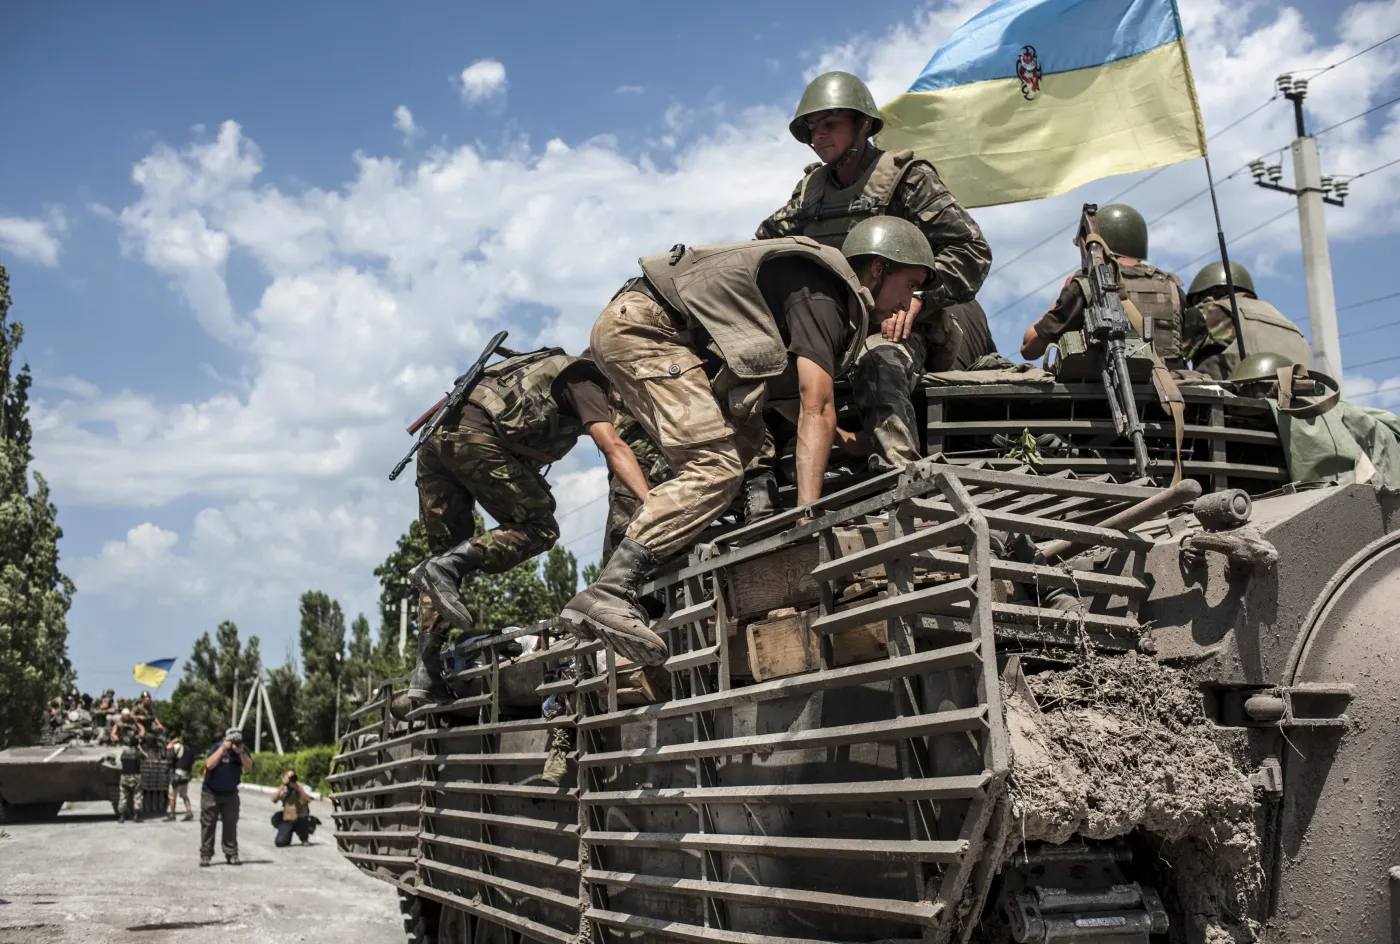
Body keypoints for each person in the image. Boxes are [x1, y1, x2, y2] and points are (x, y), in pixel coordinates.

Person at [562, 216, 935, 665]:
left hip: (641, 326)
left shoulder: (815, 294)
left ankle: (652, 561)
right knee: (715, 467)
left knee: (745, 440)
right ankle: (613, 589)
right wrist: (807, 519)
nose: (909, 301)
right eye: (910, 284)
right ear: (876, 269)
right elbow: (815, 403)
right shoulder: (824, 293)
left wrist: (849, 443)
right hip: (645, 330)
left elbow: (787, 405)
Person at [756, 70, 992, 475]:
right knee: (754, 366)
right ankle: (765, 480)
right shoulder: (809, 193)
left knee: (879, 360)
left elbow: (971, 250)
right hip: (831, 330)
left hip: (903, 324)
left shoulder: (906, 179)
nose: (819, 136)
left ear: (862, 125)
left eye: (830, 124)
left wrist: (919, 300)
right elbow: (763, 248)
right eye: (812, 127)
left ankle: (901, 476)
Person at [404, 349, 651, 708]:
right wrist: (650, 501)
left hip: (436, 442)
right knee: (539, 526)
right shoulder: (586, 380)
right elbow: (612, 445)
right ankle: (446, 567)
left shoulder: (544, 371)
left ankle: (425, 674)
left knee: (444, 562)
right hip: (473, 440)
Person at [1021, 204, 1188, 366]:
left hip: (1107, 392)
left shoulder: (1087, 284)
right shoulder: (1172, 287)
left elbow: (1029, 348)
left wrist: (1065, 296)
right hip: (1173, 391)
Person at [1183, 260, 1312, 381]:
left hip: (1235, 402)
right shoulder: (1288, 323)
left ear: (1210, 293)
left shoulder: (1217, 311)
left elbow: (1170, 351)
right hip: (1302, 403)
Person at [200, 727, 252, 867]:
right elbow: (209, 765)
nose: (235, 743)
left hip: (230, 793)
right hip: (211, 793)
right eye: (232, 740)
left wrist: (241, 753)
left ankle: (232, 854)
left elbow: (249, 768)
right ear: (226, 738)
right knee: (208, 825)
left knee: (230, 825)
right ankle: (205, 854)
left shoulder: (242, 750)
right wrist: (223, 748)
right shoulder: (217, 747)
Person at [272, 769, 314, 847]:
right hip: (288, 819)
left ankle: (304, 837)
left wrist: (298, 789)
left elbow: (307, 800)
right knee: (280, 842)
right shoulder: (283, 788)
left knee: (304, 819)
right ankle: (286, 834)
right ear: (284, 778)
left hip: (301, 819)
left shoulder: (302, 787)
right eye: (288, 777)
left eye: (292, 776)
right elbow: (274, 799)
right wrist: (282, 785)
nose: (291, 779)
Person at [117, 734, 147, 823]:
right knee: (137, 795)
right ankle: (136, 816)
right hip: (135, 776)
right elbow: (146, 757)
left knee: (123, 796)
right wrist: (140, 749)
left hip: (124, 776)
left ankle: (122, 817)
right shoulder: (137, 752)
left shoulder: (124, 752)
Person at [165, 735, 194, 821]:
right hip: (186, 775)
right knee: (184, 795)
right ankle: (189, 812)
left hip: (177, 775)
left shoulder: (178, 746)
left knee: (172, 796)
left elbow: (168, 747)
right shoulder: (190, 750)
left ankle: (172, 814)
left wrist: (173, 740)